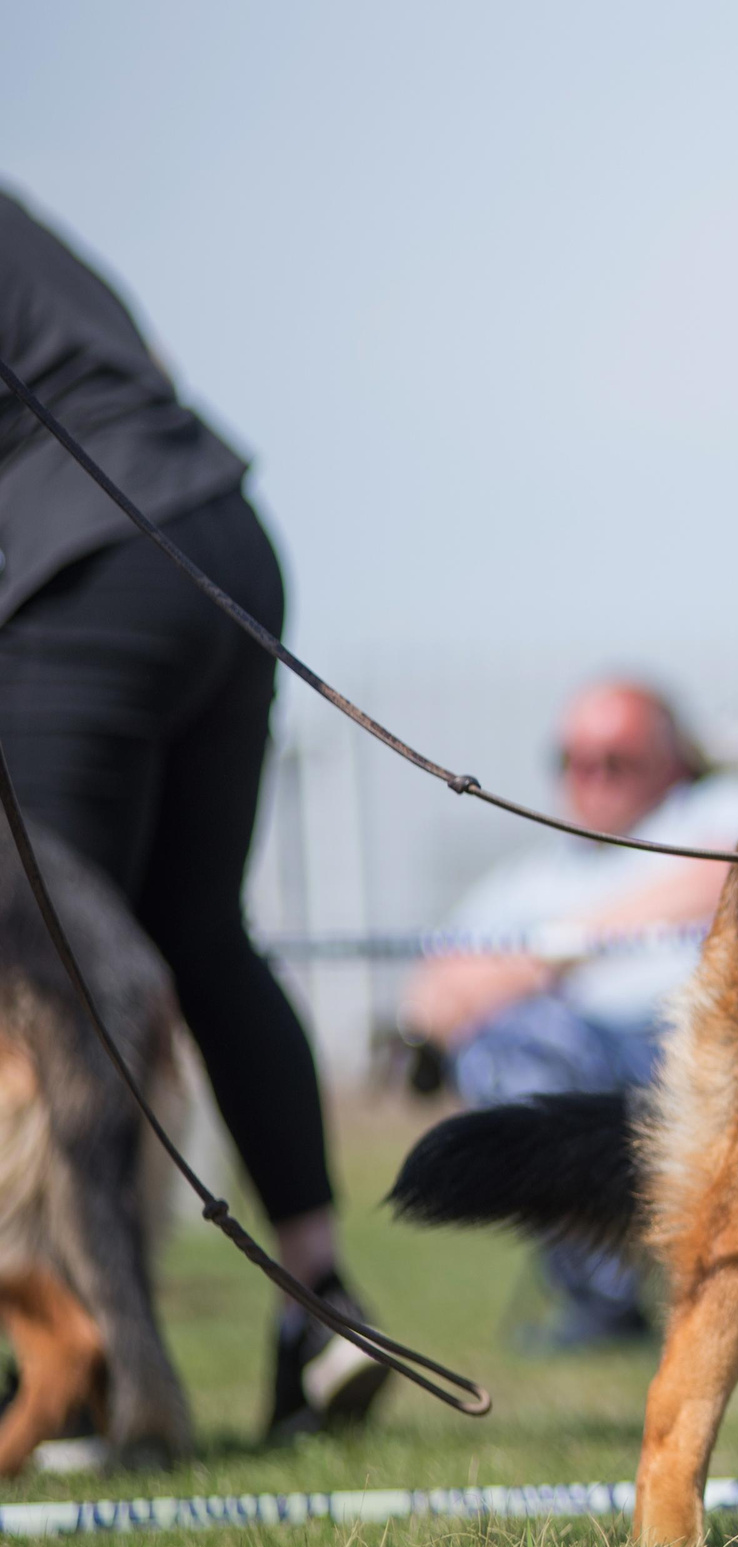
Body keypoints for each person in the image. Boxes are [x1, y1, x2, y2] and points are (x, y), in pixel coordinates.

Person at [0, 186, 381, 1441]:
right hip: (217, 538)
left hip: (78, 562)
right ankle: (320, 1312)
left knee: (54, 976)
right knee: (197, 931)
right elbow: (144, 366)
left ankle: (91, 1356)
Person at [401, 680, 738, 1348]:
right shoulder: (528, 876)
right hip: (578, 1056)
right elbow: (432, 995)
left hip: (712, 1039)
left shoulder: (717, 811)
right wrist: (503, 977)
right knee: (502, 1052)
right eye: (572, 760)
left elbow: (726, 876)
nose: (591, 778)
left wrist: (550, 951)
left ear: (674, 761)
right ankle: (604, 1296)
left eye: (617, 759)